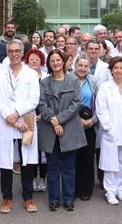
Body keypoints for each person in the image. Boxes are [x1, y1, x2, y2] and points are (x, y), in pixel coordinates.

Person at [0, 39, 40, 213]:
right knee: (6, 161)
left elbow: (34, 99)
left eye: (17, 51)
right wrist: (10, 117)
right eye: (10, 50)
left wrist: (17, 113)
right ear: (7, 53)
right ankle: (6, 198)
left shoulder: (31, 74)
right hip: (6, 122)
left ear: (22, 53)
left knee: (27, 161)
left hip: (25, 120)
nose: (14, 54)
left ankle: (28, 197)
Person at [38, 50, 86, 211]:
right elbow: (41, 104)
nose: (56, 63)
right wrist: (53, 120)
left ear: (64, 62)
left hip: (70, 128)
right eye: (52, 60)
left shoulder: (73, 81)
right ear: (49, 64)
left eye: (58, 60)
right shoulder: (44, 82)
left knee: (68, 166)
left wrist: (59, 119)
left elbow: (77, 103)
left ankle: (68, 198)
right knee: (52, 166)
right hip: (50, 128)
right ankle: (53, 199)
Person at [97, 57, 122, 205]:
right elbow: (102, 110)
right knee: (110, 163)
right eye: (116, 68)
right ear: (111, 70)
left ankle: (119, 188)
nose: (119, 70)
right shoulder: (105, 87)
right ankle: (110, 191)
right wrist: (109, 128)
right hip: (111, 131)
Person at [74, 56, 99, 201]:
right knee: (74, 158)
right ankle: (75, 188)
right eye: (80, 65)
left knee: (88, 158)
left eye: (85, 66)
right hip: (73, 124)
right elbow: (66, 103)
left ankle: (86, 189)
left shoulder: (93, 81)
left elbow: (100, 102)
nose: (83, 68)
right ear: (75, 66)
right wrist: (77, 120)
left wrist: (92, 120)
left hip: (89, 124)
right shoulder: (69, 79)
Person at [23, 47, 48, 192]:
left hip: (43, 118)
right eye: (31, 59)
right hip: (28, 117)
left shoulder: (46, 77)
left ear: (41, 61)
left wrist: (42, 115)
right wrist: (33, 115)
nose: (34, 61)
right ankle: (32, 178)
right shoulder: (24, 76)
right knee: (30, 150)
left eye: (37, 59)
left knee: (43, 151)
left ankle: (42, 179)